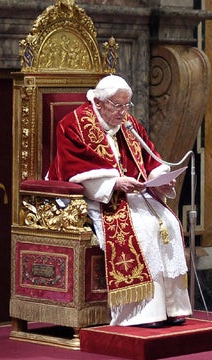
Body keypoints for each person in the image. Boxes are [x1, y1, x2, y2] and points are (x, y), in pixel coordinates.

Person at [46, 74, 192, 328]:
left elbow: (150, 158)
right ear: (99, 103)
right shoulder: (74, 125)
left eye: (127, 106)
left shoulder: (128, 124)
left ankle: (171, 307)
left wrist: (161, 178)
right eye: (118, 106)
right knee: (143, 229)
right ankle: (143, 312)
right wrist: (113, 183)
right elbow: (73, 166)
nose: (123, 112)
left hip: (133, 194)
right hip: (96, 198)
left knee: (168, 222)